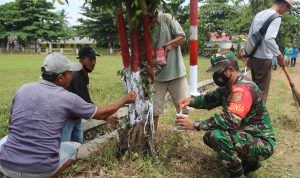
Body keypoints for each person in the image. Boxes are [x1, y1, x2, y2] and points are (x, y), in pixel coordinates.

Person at [0, 52, 136, 178]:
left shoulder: (23, 89)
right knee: (74, 147)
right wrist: (124, 100)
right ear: (60, 78)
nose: (72, 76)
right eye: (70, 73)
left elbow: (12, 123)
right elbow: (100, 114)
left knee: (5, 140)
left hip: (6, 165)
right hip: (41, 169)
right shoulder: (68, 98)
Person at [177, 51, 276, 178]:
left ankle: (238, 174)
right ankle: (250, 163)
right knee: (209, 136)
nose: (216, 75)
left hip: (262, 142)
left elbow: (231, 121)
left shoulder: (243, 89)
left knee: (217, 136)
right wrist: (191, 101)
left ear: (230, 70)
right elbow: (208, 100)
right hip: (247, 135)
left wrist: (196, 124)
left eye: (218, 71)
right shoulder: (227, 88)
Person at [247, 0, 293, 103]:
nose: (286, 12)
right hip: (263, 59)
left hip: (254, 57)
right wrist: (279, 55)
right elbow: (269, 39)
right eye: (288, 9)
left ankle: (251, 114)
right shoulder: (276, 17)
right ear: (284, 5)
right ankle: (259, 117)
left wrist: (249, 56)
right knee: (261, 92)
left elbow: (250, 36)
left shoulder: (259, 14)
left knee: (254, 89)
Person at [151, 12, 189, 131]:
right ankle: (152, 139)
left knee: (183, 107)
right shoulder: (141, 26)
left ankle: (180, 135)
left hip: (176, 73)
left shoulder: (166, 18)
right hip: (155, 77)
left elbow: (183, 38)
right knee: (153, 111)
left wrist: (170, 44)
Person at [61, 46, 99, 144]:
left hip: (76, 116)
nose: (93, 62)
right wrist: (104, 115)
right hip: (66, 117)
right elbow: (86, 102)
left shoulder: (83, 75)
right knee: (64, 147)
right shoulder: (77, 76)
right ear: (81, 60)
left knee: (77, 144)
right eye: (90, 59)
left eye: (94, 59)